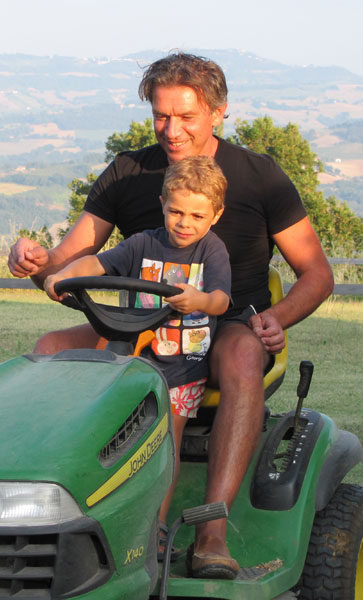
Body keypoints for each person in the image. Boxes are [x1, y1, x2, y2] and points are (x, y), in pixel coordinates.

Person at [8, 52, 334, 580]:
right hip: (137, 323)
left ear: (219, 112)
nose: (171, 129)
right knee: (49, 349)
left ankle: (211, 532)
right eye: (161, 116)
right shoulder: (128, 171)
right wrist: (34, 261)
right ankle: (46, 512)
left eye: (186, 116)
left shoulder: (258, 176)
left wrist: (277, 317)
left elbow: (317, 272)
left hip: (224, 322)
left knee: (244, 354)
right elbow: (68, 258)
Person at [44, 156, 231, 561]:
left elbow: (219, 299)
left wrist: (197, 299)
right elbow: (97, 262)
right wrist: (62, 275)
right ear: (162, 203)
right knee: (111, 436)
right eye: (176, 211)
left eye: (197, 215)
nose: (184, 222)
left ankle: (156, 530)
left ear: (215, 215)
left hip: (184, 367)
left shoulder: (211, 250)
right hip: (134, 362)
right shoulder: (143, 243)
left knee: (165, 440)